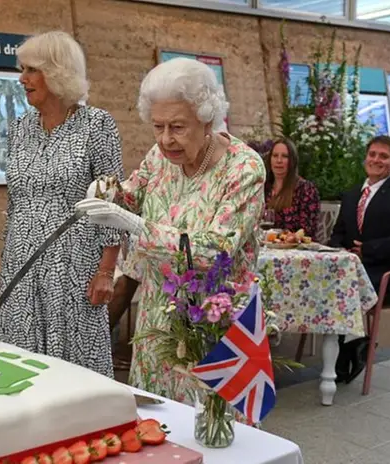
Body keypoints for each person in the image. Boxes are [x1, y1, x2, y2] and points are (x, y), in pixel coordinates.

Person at [75, 57, 266, 404]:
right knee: (158, 423)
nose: (166, 139)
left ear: (206, 119)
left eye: (177, 127)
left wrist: (134, 224)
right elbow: (131, 194)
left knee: (214, 430)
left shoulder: (244, 167)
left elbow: (216, 249)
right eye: (157, 126)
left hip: (213, 320)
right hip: (158, 316)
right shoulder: (160, 156)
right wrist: (105, 190)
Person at [0, 31, 125, 378]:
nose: (22, 79)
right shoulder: (20, 128)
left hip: (74, 267)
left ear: (57, 72)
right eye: (22, 70)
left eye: (31, 70)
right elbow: (15, 197)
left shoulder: (97, 125)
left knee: (74, 368)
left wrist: (106, 271)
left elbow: (111, 200)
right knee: (21, 366)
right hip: (21, 263)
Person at [329, 135, 390, 382]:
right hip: (356, 271)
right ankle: (351, 344)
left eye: (383, 156)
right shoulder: (352, 195)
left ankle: (346, 353)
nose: (376, 160)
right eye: (372, 154)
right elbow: (338, 233)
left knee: (341, 289)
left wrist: (369, 249)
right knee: (324, 282)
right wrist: (342, 250)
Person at [264, 137, 321, 238]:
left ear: (292, 161)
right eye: (275, 155)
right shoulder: (264, 188)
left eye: (285, 156)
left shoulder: (306, 189)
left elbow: (308, 229)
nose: (279, 160)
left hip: (296, 249)